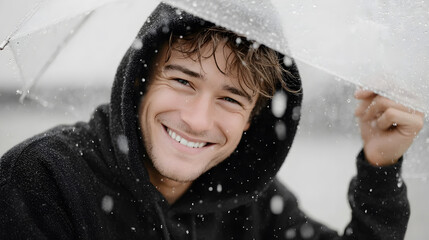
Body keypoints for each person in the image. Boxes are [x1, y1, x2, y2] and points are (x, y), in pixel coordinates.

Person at [0, 3, 424, 240]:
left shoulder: (248, 200)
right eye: (183, 81)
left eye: (230, 98)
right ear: (141, 81)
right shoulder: (45, 179)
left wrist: (381, 167)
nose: (197, 120)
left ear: (251, 120)